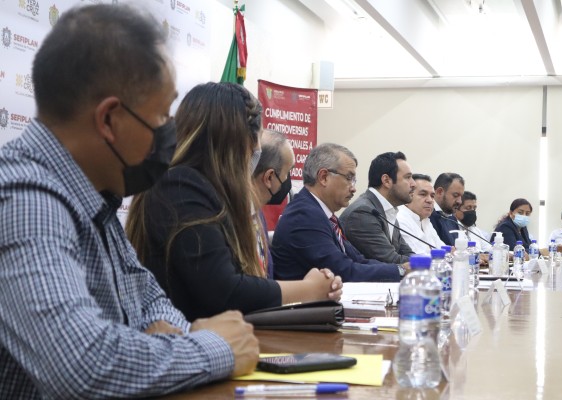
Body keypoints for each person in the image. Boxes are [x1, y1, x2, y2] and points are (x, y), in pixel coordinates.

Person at [0, 5, 258, 399]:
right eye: (162, 116)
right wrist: (215, 347)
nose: (170, 132)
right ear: (109, 120)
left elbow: (151, 302)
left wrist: (159, 343)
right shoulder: (24, 199)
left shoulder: (93, 196)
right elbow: (82, 364)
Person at [126, 83, 342, 321]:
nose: (255, 157)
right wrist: (308, 289)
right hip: (187, 337)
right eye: (254, 148)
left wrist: (310, 288)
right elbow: (223, 289)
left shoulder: (201, 190)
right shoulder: (181, 187)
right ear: (236, 145)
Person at [272, 143, 404, 282]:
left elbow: (359, 260)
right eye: (349, 178)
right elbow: (344, 271)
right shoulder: (303, 215)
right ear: (324, 177)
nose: (353, 188)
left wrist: (400, 269)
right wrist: (400, 271)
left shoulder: (326, 215)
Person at [339, 151, 415, 264]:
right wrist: (432, 263)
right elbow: (391, 260)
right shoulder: (362, 212)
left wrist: (432, 262)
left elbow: (406, 252)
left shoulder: (388, 210)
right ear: (386, 180)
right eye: (407, 177)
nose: (413, 184)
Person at [251, 129, 294, 277]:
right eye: (287, 172)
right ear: (269, 177)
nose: (288, 180)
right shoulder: (231, 217)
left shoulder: (257, 212)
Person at [396, 174, 446, 255]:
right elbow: (418, 256)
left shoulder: (425, 220)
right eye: (423, 194)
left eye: (432, 196)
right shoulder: (400, 219)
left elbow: (443, 249)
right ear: (407, 195)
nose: (430, 200)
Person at [430, 172, 465, 246]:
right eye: (455, 195)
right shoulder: (429, 215)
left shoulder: (452, 218)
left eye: (461, 196)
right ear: (439, 192)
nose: (460, 201)